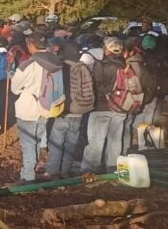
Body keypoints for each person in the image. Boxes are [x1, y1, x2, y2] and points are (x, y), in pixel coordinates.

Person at [10, 34, 62, 182]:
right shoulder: (55, 61)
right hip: (46, 107)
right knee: (37, 142)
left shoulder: (28, 64)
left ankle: (27, 177)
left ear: (31, 45)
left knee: (28, 145)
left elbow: (15, 88)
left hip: (28, 108)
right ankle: (31, 170)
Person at [47, 41, 93, 179]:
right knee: (71, 144)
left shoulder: (61, 67)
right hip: (79, 111)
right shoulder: (83, 68)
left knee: (56, 143)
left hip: (64, 111)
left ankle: (53, 172)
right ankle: (65, 171)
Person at [81, 38, 127, 174]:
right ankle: (112, 169)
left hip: (101, 107)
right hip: (121, 107)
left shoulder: (101, 65)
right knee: (116, 140)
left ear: (107, 48)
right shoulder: (124, 66)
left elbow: (95, 86)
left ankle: (89, 171)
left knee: (96, 141)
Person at [138, 34, 168, 131]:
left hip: (151, 87)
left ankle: (144, 131)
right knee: (156, 109)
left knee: (147, 109)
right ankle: (153, 131)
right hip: (163, 87)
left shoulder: (151, 56)